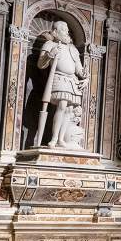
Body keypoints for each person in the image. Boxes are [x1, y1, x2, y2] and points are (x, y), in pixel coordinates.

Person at [35, 20, 86, 149]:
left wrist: (86, 76)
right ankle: (54, 138)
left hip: (72, 81)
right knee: (62, 106)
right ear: (55, 32)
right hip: (59, 78)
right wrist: (50, 55)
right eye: (63, 29)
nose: (67, 32)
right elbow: (41, 64)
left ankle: (61, 139)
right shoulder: (49, 44)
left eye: (67, 29)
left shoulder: (73, 49)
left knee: (69, 110)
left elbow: (79, 69)